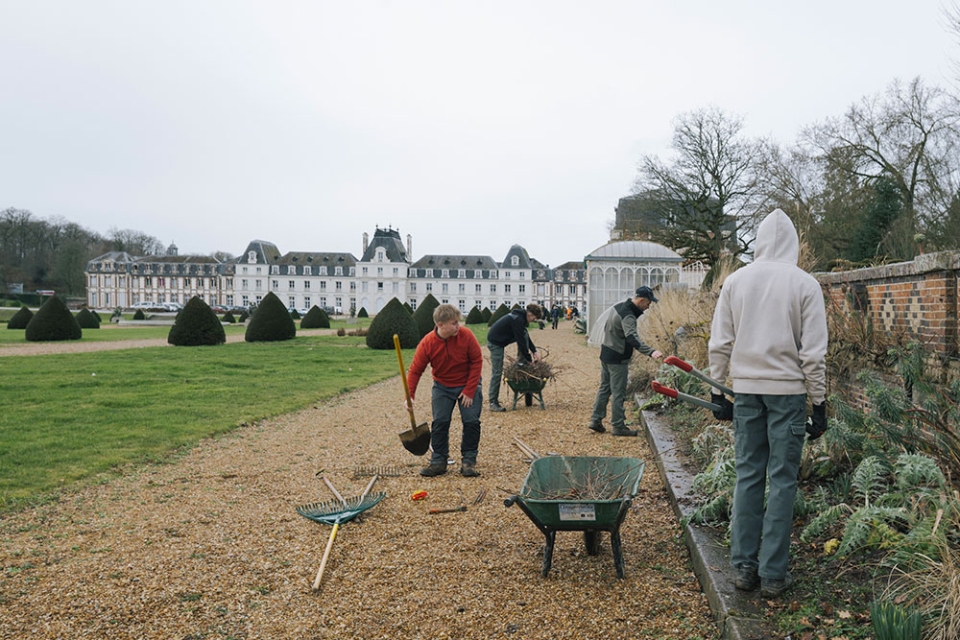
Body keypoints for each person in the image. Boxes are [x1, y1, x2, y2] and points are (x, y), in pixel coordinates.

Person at [708, 208, 828, 599]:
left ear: (758, 241)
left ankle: (744, 567)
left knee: (748, 475)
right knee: (782, 481)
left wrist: (716, 390)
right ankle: (774, 574)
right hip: (788, 394)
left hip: (746, 390)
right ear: (793, 243)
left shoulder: (736, 282)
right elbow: (813, 354)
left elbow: (720, 342)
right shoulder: (805, 284)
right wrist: (819, 403)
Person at [407, 304, 484, 478]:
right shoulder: (427, 343)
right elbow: (415, 370)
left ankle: (469, 461)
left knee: (471, 422)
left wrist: (470, 390)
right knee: (440, 423)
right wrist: (409, 396)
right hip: (442, 386)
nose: (458, 326)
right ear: (441, 325)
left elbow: (477, 361)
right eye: (454, 323)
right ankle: (438, 461)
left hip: (467, 384)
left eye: (458, 322)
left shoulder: (467, 336)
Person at [588, 286, 663, 436]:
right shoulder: (628, 315)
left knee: (604, 388)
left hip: (606, 352)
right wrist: (651, 351)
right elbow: (632, 338)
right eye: (648, 303)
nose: (648, 307)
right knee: (618, 393)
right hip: (617, 358)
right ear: (641, 300)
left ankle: (595, 420)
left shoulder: (618, 306)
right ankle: (618, 426)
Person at [486, 303, 542, 412]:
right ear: (530, 314)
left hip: (500, 340)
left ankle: (522, 361)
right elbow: (521, 341)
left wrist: (534, 351)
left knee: (524, 334)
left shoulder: (520, 317)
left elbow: (525, 335)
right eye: (534, 318)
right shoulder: (517, 320)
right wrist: (530, 360)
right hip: (495, 342)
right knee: (497, 371)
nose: (533, 321)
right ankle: (493, 402)